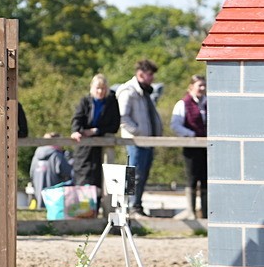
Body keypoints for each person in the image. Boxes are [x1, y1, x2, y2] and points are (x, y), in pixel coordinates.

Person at [116, 58, 163, 216]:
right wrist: (137, 131)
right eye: (150, 74)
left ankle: (137, 205)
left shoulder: (145, 92)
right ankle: (129, 207)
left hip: (147, 142)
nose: (152, 78)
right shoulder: (129, 91)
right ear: (141, 74)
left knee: (142, 175)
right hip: (135, 142)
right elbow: (123, 117)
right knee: (133, 175)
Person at [70, 73, 121, 189]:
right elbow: (77, 118)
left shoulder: (111, 102)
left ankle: (97, 205)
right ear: (92, 88)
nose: (100, 91)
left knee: (99, 179)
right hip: (84, 147)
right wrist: (76, 131)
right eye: (97, 88)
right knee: (82, 178)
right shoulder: (85, 101)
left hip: (101, 145)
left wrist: (96, 131)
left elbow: (114, 125)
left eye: (103, 88)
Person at [170, 74, 208, 219]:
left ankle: (205, 214)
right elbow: (175, 125)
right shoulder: (183, 104)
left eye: (204, 85)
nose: (202, 88)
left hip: (206, 147)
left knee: (205, 179)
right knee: (192, 179)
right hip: (191, 147)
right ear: (191, 87)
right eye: (200, 85)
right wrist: (192, 134)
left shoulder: (207, 102)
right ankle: (191, 212)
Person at [29, 132, 73, 207]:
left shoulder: (35, 157)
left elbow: (31, 174)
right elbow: (68, 173)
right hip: (55, 202)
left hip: (39, 199)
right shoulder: (57, 156)